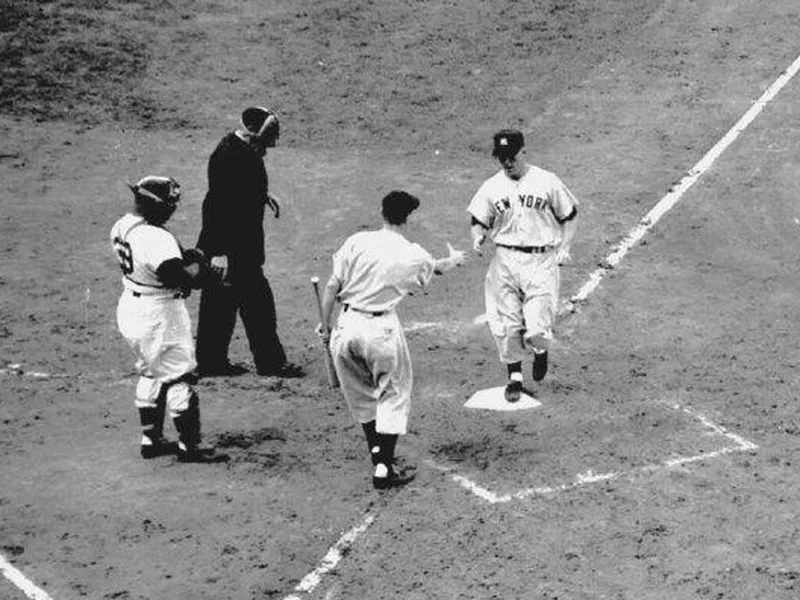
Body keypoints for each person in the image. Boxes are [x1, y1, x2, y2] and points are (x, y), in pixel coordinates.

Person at [316, 191, 467, 490]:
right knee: (393, 394)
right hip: (380, 330)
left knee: (361, 396)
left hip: (346, 327)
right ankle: (384, 464)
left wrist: (325, 326)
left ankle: (376, 452)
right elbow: (435, 267)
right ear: (407, 217)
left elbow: (332, 286)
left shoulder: (356, 241)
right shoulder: (413, 253)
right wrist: (454, 259)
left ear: (381, 212)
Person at [110, 175, 227, 463]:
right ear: (157, 205)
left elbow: (160, 261)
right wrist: (206, 275)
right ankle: (190, 446)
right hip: (159, 313)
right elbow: (175, 275)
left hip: (132, 307)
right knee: (179, 375)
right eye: (170, 206)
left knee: (151, 369)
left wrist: (189, 257)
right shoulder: (155, 237)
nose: (172, 211)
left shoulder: (122, 224)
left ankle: (151, 438)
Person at [468, 129, 579, 403]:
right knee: (507, 323)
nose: (507, 163)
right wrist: (478, 235)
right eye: (502, 158)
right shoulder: (491, 186)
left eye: (512, 157)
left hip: (541, 260)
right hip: (504, 260)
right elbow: (478, 219)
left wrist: (565, 246)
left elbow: (570, 215)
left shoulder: (547, 181)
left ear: (523, 152)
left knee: (537, 325)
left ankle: (540, 351)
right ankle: (514, 377)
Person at [195, 106, 304, 378]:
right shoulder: (228, 156)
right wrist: (219, 253)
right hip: (231, 248)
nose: (274, 143)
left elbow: (240, 190)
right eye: (271, 136)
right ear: (256, 132)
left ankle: (212, 362)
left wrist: (263, 196)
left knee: (221, 303)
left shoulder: (242, 150)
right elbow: (216, 206)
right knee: (255, 303)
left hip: (238, 246)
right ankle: (269, 363)